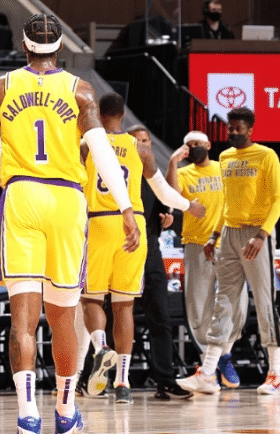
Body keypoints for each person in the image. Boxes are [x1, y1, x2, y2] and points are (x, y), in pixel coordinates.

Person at [0, 14, 139, 434]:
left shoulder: (0, 87)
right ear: (61, 47)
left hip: (23, 196)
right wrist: (124, 207)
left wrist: (11, 175)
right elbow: (101, 152)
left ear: (23, 46)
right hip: (67, 200)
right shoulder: (80, 90)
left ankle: (27, 414)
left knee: (22, 319)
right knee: (63, 316)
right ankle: (65, 412)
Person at [81, 93, 204, 405]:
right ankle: (123, 383)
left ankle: (101, 347)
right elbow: (163, 192)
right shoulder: (140, 149)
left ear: (98, 114)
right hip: (133, 225)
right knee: (124, 306)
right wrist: (189, 206)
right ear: (123, 115)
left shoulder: (86, 145)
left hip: (99, 221)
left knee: (91, 298)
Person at [177, 107, 280, 396]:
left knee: (264, 302)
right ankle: (208, 373)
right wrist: (215, 234)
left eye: (238, 128)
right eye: (230, 128)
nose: (232, 132)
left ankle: (275, 373)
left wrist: (262, 235)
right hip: (229, 234)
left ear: (250, 130)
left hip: (256, 233)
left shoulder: (266, 156)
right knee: (223, 302)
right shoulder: (224, 157)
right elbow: (226, 202)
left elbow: (277, 199)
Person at [165, 130, 246, 388]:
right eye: (190, 146)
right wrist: (172, 163)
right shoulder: (184, 173)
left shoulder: (224, 168)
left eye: (198, 144)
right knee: (199, 306)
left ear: (209, 145)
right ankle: (209, 366)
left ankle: (224, 355)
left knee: (238, 302)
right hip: (196, 244)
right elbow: (172, 195)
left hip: (228, 242)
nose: (195, 148)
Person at [127, 125, 194, 401]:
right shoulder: (120, 173)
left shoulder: (153, 177)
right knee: (112, 316)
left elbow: (170, 199)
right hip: (123, 249)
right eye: (137, 141)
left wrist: (166, 217)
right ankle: (98, 379)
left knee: (161, 317)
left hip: (151, 250)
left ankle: (165, 381)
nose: (143, 146)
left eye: (146, 141)